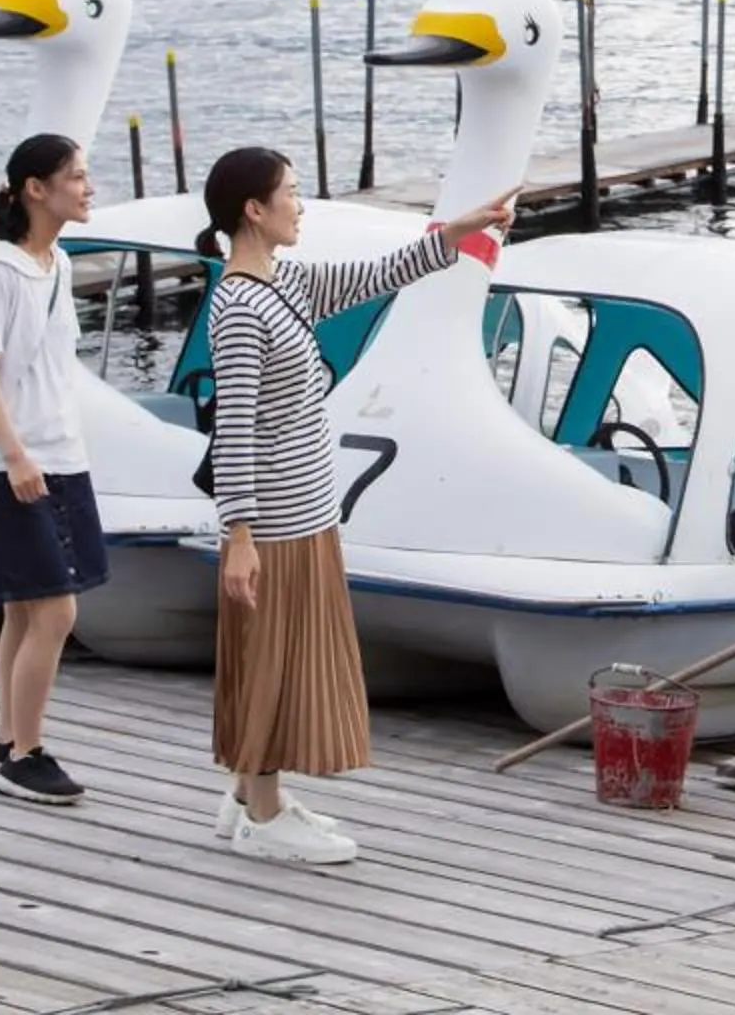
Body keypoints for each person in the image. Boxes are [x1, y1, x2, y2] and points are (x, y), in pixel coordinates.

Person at [195, 146, 516, 864]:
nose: (300, 205)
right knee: (273, 662)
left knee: (275, 657)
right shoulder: (242, 307)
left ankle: (249, 797)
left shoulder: (286, 282)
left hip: (306, 510)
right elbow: (235, 427)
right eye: (291, 193)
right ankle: (266, 816)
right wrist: (238, 535)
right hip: (274, 520)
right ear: (254, 210)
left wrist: (461, 228)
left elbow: (379, 275)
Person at [0, 130, 105, 805]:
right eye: (75, 176)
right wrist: (15, 455)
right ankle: (27, 754)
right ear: (35, 190)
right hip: (10, 461)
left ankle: (5, 738)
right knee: (55, 611)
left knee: (24, 609)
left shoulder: (56, 264)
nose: (88, 185)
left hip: (58, 453)